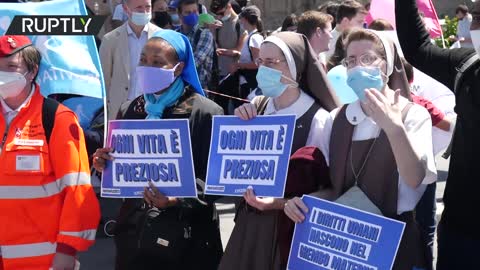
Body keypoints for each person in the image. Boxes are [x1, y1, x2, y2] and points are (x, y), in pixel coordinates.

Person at [285, 29, 437, 269]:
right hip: (345, 246)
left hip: (392, 243)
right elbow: (333, 190)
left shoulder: (413, 115)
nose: (357, 68)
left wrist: (394, 129)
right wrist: (302, 202)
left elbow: (415, 179)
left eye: (367, 59)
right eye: (351, 61)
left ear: (386, 66)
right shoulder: (337, 119)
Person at [93, 30, 224, 270]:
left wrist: (177, 199)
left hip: (188, 239)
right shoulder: (130, 109)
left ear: (177, 68)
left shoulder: (205, 112)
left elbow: (216, 178)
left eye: (157, 62)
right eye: (143, 59)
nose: (146, 67)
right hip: (136, 236)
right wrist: (104, 165)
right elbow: (122, 171)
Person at [218, 31, 340, 270]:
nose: (263, 69)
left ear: (295, 67)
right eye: (260, 62)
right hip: (250, 225)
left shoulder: (319, 119)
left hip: (290, 231)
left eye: (272, 62)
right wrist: (239, 127)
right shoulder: (257, 105)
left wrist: (281, 203)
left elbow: (332, 189)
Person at [0, 35, 100, 269]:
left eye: (11, 67)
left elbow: (77, 190)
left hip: (41, 260)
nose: (2, 74)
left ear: (32, 71)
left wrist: (67, 250)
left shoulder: (57, 119)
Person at [395, 0, 480, 269]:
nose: (477, 26)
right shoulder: (467, 68)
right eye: (477, 17)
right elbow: (417, 49)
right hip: (461, 233)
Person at [99, 0, 160, 120]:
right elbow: (104, 80)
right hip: (121, 111)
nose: (145, 11)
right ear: (126, 9)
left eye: (148, 7)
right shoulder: (110, 40)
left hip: (153, 110)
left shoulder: (162, 36)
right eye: (139, 8)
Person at [178, 0, 215, 89]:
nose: (192, 15)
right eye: (187, 12)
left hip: (198, 90)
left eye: (195, 12)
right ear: (180, 15)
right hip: (178, 88)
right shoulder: (176, 34)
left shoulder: (204, 34)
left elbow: (196, 61)